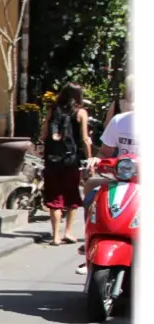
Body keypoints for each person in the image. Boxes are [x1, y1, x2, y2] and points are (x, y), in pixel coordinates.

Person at [79, 74, 135, 274]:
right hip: (121, 181)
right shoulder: (119, 121)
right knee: (91, 193)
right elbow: (105, 152)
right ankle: (91, 243)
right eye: (132, 94)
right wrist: (96, 159)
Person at [38, 83, 93, 246]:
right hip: (71, 161)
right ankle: (68, 232)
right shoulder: (81, 113)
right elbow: (84, 138)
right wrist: (90, 158)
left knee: (55, 197)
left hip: (52, 160)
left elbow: (43, 134)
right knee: (72, 195)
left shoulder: (53, 110)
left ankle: (55, 236)